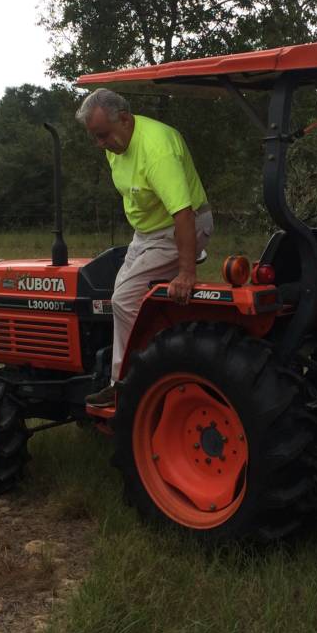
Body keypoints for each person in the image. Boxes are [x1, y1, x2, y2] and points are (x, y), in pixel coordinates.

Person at [77, 88, 213, 406]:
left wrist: (186, 271)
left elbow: (183, 213)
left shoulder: (156, 149)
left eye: (103, 135)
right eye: (94, 137)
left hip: (181, 227)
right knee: (124, 297)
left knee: (123, 298)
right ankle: (127, 374)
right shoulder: (117, 144)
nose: (100, 144)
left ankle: (138, 381)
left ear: (124, 119)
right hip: (148, 233)